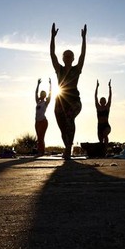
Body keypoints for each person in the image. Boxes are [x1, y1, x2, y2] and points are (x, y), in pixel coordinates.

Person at [50, 23, 87, 159]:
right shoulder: (59, 69)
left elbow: (83, 54)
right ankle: (67, 146)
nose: (67, 57)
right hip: (60, 102)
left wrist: (83, 39)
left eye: (70, 55)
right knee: (62, 126)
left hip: (74, 102)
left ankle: (68, 148)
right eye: (65, 55)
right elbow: (52, 54)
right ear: (63, 58)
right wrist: (52, 37)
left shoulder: (76, 69)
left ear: (73, 59)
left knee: (69, 120)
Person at [35, 78, 52, 156]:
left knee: (41, 137)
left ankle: (41, 152)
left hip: (43, 121)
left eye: (43, 94)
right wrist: (38, 84)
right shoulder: (38, 102)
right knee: (39, 137)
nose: (41, 95)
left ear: (44, 96)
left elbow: (50, 95)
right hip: (37, 121)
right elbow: (36, 93)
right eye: (41, 94)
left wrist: (50, 84)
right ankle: (40, 151)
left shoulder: (45, 103)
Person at [95, 79, 112, 144]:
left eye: (104, 100)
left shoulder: (107, 107)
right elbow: (95, 97)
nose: (102, 102)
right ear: (100, 101)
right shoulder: (98, 107)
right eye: (101, 100)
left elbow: (110, 97)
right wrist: (97, 87)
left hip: (106, 125)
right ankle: (102, 150)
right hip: (99, 126)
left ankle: (106, 148)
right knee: (101, 141)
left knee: (105, 135)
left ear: (105, 102)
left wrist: (110, 88)